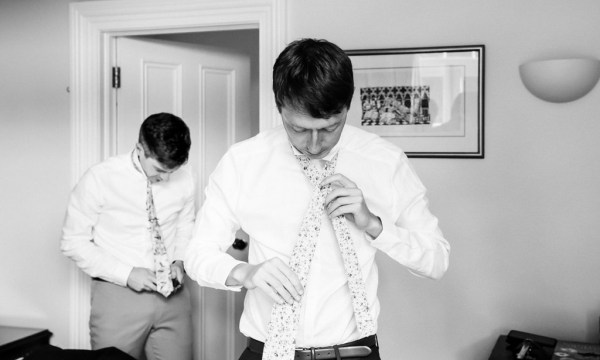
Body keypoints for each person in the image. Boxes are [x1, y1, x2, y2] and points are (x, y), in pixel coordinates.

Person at [185, 39, 450, 360]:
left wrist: (373, 225)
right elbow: (197, 255)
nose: (313, 144)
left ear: (347, 108)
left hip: (355, 353)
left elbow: (436, 260)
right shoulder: (243, 161)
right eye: (297, 128)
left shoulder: (384, 161)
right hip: (265, 352)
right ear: (279, 105)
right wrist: (245, 273)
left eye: (329, 128)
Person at [61, 113, 195, 360]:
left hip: (174, 298)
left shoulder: (184, 179)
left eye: (173, 170)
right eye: (159, 169)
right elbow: (73, 242)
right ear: (139, 149)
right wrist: (127, 273)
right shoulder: (99, 178)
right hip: (118, 297)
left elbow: (185, 226)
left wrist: (179, 261)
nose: (166, 178)